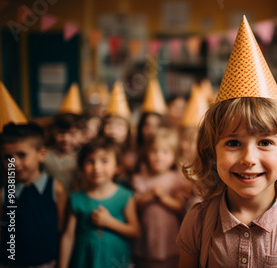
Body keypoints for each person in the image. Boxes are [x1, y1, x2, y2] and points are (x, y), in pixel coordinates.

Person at [176, 16, 277, 268]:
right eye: (233, 143)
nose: (248, 158)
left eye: (265, 143)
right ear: (212, 151)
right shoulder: (198, 222)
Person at [59, 137, 140, 268]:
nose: (96, 167)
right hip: (84, 260)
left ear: (117, 167)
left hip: (115, 259)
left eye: (104, 161)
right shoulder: (76, 198)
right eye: (90, 161)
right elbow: (68, 236)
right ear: (82, 166)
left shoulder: (125, 196)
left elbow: (135, 231)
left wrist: (109, 222)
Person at [0, 123, 67, 268]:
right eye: (7, 157)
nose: (14, 163)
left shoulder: (56, 189)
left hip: (49, 263)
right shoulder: (4, 193)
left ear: (41, 154)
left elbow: (64, 231)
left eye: (21, 155)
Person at [132, 128, 190, 268]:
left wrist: (162, 197)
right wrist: (149, 196)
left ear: (173, 156)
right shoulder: (139, 178)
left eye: (165, 152)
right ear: (147, 153)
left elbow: (180, 207)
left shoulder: (176, 178)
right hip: (147, 234)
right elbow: (136, 206)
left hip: (169, 234)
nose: (159, 156)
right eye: (154, 151)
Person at [44, 113, 84, 193]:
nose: (66, 138)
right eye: (61, 133)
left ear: (81, 135)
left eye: (72, 134)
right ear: (53, 132)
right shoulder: (44, 154)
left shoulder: (82, 157)